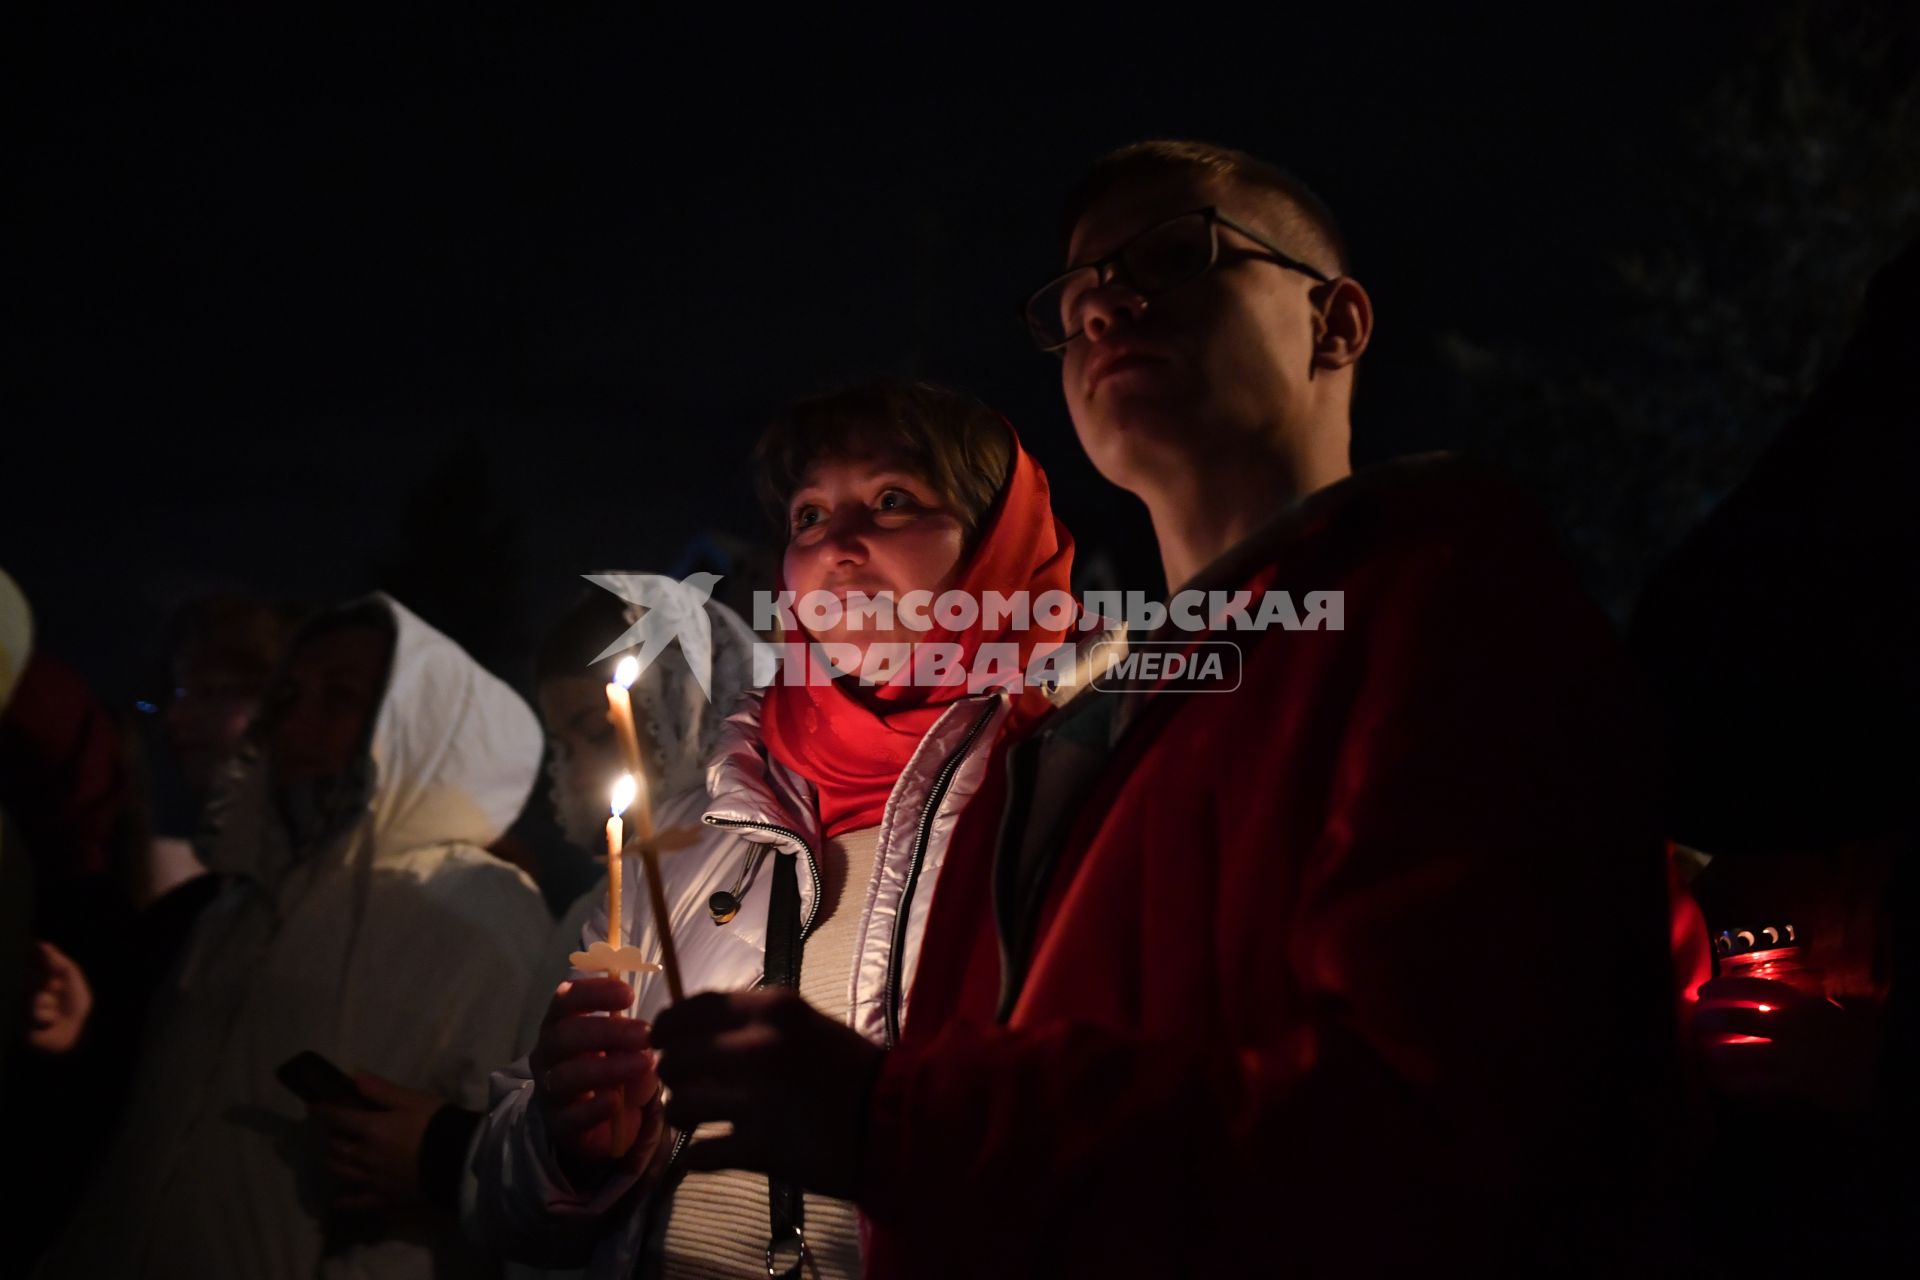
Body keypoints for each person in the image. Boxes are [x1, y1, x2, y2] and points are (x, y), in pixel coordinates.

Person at [648, 141, 1687, 1275]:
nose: (1107, 304)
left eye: (1177, 255)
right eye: (1078, 292)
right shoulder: (1083, 720)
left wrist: (892, 1123)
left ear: (1334, 323)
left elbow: (1455, 1133)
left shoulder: (1446, 605)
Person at [471, 380, 1117, 1278]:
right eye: (810, 517)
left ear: (997, 542)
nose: (839, 548)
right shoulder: (706, 828)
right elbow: (499, 1195)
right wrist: (566, 1142)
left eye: (893, 501)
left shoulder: (1093, 797)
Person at [38, 594, 553, 1280]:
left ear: (418, 726)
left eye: (339, 699)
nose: (295, 725)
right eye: (286, 697)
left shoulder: (480, 914)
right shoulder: (238, 904)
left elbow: (526, 1169)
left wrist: (443, 1163)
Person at [308, 585, 759, 1266]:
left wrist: (442, 1152)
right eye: (563, 741)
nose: (577, 765)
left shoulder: (752, 888)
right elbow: (531, 1108)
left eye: (602, 732)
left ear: (688, 713)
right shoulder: (592, 910)